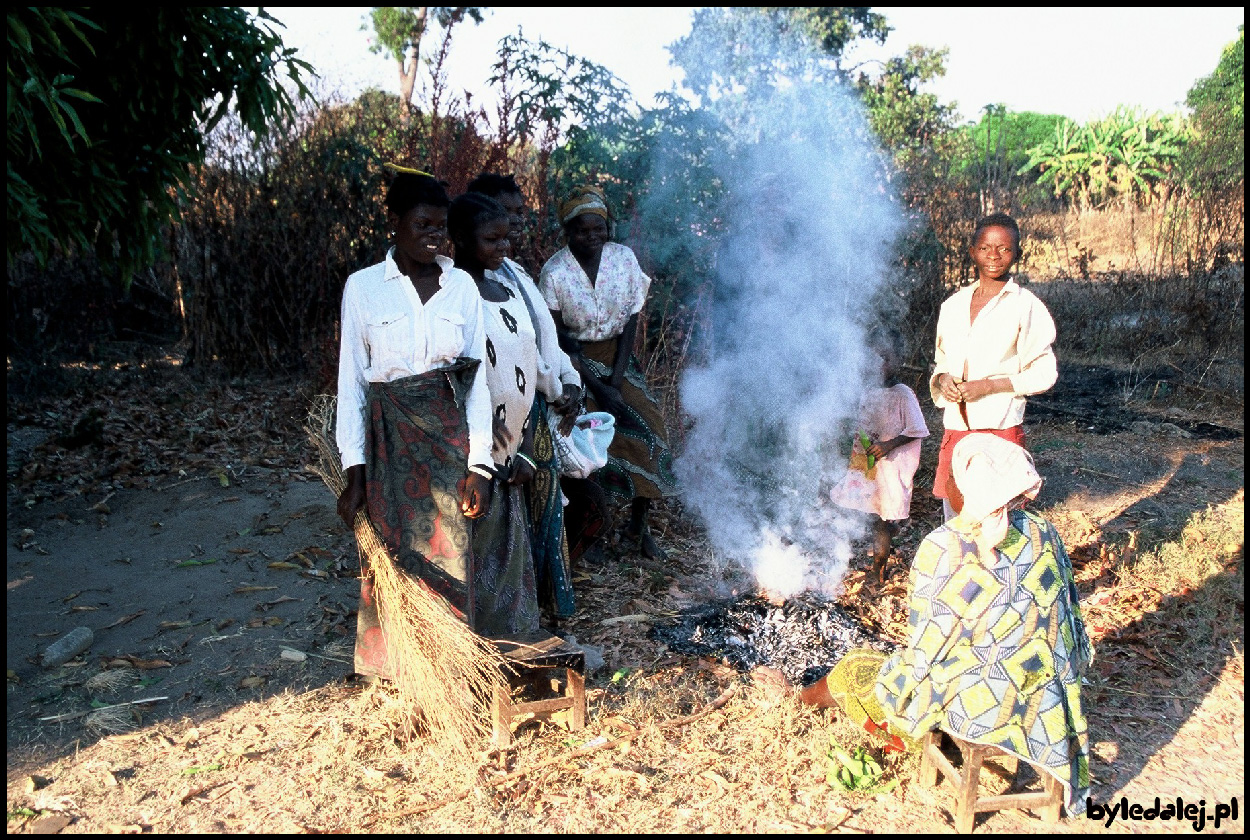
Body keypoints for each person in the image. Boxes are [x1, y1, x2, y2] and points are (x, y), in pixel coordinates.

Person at [874, 434, 1093, 816]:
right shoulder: (1046, 532)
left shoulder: (945, 544)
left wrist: (902, 679)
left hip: (978, 697)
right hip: (1045, 689)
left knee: (896, 676)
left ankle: (955, 744)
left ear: (965, 487)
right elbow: (1069, 614)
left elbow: (927, 638)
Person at [335, 166, 495, 679]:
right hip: (388, 443)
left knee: (450, 557)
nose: (434, 236)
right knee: (392, 557)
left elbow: (478, 382)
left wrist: (480, 466)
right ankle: (397, 675)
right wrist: (353, 469)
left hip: (450, 442)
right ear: (394, 222)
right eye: (422, 224)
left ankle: (446, 673)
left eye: (440, 227)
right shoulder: (363, 289)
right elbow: (352, 383)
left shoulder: (462, 288)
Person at [448, 190, 581, 630]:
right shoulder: (451, 295)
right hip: (475, 446)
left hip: (517, 438)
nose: (503, 248)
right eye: (492, 240)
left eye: (506, 239)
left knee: (520, 534)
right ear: (462, 239)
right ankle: (476, 634)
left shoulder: (506, 288)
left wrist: (524, 441)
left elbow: (527, 362)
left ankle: (522, 624)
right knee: (476, 543)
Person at [539, 185, 678, 561]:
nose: (592, 236)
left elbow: (632, 319)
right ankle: (593, 533)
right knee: (585, 441)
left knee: (649, 429)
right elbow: (555, 338)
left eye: (598, 229)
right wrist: (597, 387)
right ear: (568, 231)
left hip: (619, 358)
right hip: (575, 361)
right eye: (583, 230)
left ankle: (639, 527)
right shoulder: (554, 272)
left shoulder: (623, 259)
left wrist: (616, 382)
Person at [930, 213, 1057, 520]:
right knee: (957, 520)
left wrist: (989, 385)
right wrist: (944, 378)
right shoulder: (953, 306)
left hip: (999, 428)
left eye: (1004, 249)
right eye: (986, 247)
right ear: (972, 250)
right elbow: (942, 359)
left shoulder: (1025, 305)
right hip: (957, 429)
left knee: (999, 524)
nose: (994, 256)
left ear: (1017, 254)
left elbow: (1044, 373)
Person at [829, 329, 929, 580]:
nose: (879, 365)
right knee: (868, 513)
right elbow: (864, 425)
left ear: (898, 359)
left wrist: (888, 445)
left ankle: (878, 571)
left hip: (891, 468)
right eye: (872, 358)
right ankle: (847, 561)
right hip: (869, 467)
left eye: (885, 358)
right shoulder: (868, 392)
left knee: (883, 522)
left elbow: (917, 429)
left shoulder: (902, 393)